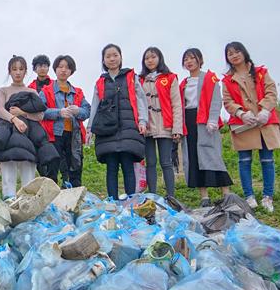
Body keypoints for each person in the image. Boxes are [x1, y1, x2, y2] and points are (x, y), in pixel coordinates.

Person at [221, 41, 280, 212]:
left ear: (244, 52)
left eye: (237, 51)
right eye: (230, 53)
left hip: (264, 122)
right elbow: (227, 101)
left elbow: (271, 92)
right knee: (244, 160)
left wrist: (265, 110)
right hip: (243, 124)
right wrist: (240, 113)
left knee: (267, 160)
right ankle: (249, 196)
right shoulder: (227, 80)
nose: (234, 55)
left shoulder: (261, 72)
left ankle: (268, 196)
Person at [88, 44, 148, 200]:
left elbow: (141, 100)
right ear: (103, 60)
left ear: (120, 57)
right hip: (107, 130)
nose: (112, 59)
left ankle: (131, 201)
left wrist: (143, 121)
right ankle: (112, 203)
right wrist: (90, 128)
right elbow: (95, 105)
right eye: (108, 56)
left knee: (128, 166)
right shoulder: (100, 82)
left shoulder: (131, 77)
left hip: (129, 128)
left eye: (115, 55)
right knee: (111, 168)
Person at [0, 56, 50, 199]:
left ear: (26, 71)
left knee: (28, 171)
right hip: (7, 134)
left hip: (29, 134)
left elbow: (40, 115)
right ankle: (9, 200)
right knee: (8, 172)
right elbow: (0, 110)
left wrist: (22, 113)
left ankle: (27, 203)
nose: (18, 72)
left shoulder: (32, 92)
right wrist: (15, 119)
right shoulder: (3, 90)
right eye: (14, 69)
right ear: (9, 71)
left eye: (21, 69)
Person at [180, 48, 233, 206]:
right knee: (194, 157)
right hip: (189, 121)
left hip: (206, 121)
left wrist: (213, 120)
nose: (189, 62)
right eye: (186, 59)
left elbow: (216, 100)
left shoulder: (210, 78)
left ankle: (226, 194)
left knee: (212, 155)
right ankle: (204, 197)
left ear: (200, 60)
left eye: (192, 58)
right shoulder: (183, 83)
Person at [40, 55, 91, 187]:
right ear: (55, 69)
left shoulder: (78, 92)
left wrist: (77, 110)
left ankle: (75, 194)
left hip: (74, 135)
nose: (63, 70)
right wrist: (59, 112)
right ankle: (50, 195)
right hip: (53, 135)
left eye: (67, 68)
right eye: (60, 67)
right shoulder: (46, 91)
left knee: (75, 166)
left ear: (71, 71)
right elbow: (40, 112)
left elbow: (87, 111)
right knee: (52, 168)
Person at [139, 47, 183, 197]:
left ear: (160, 58)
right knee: (150, 162)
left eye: (153, 57)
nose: (150, 60)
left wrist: (177, 128)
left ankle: (171, 196)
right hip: (147, 126)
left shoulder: (170, 78)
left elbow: (176, 104)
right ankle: (152, 196)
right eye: (147, 58)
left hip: (165, 125)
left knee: (166, 162)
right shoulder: (140, 80)